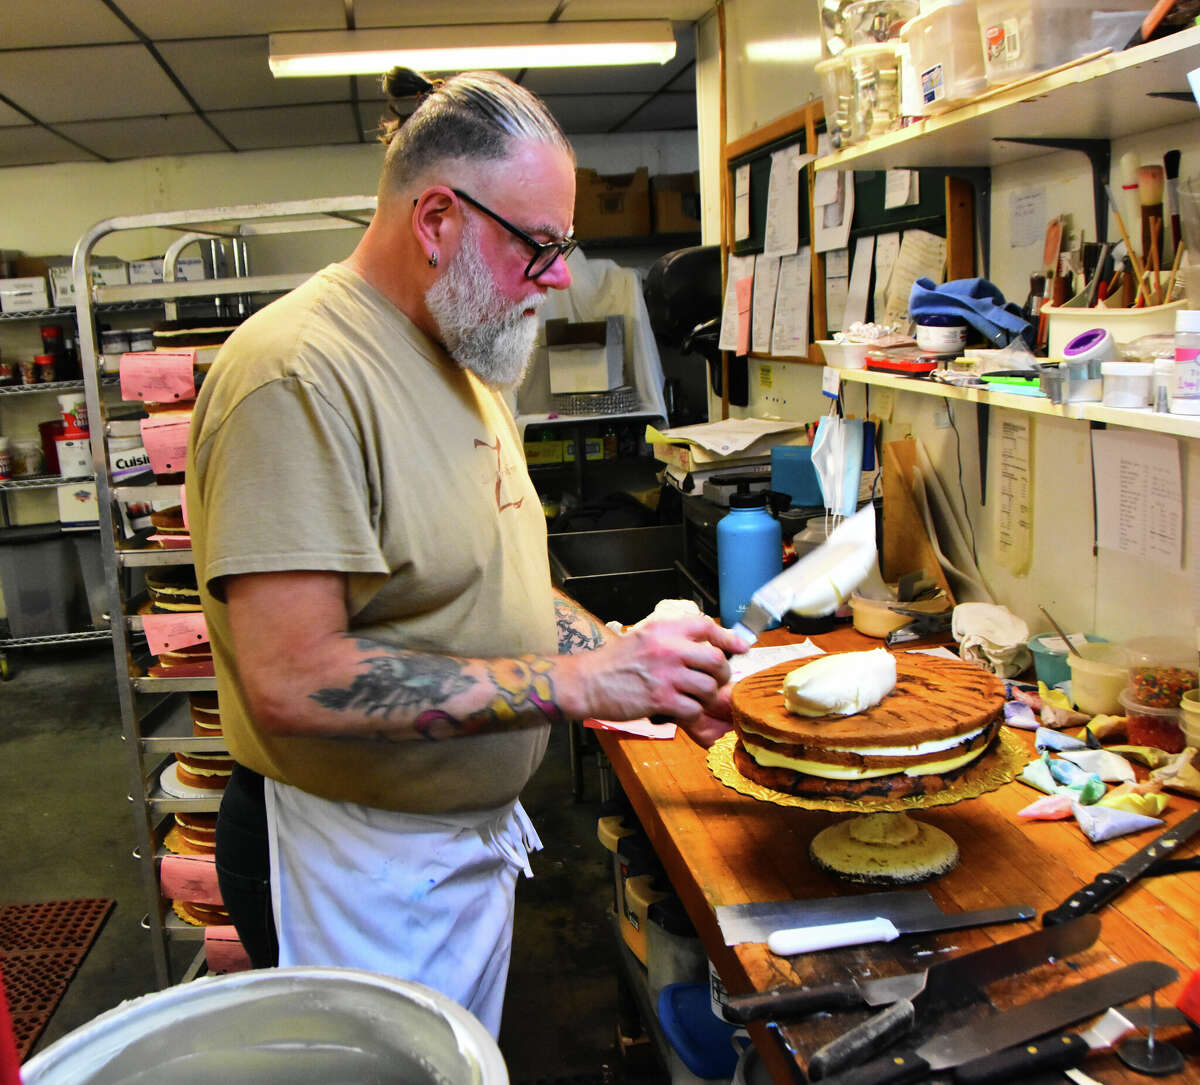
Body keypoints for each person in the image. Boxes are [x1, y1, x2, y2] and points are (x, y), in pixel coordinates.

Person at [186, 68, 751, 1037]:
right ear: (438, 218)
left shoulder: (469, 353)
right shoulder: (295, 376)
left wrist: (623, 658)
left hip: (454, 848)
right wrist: (579, 687)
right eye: (541, 243)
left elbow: (497, 583)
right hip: (352, 859)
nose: (563, 273)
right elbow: (293, 677)